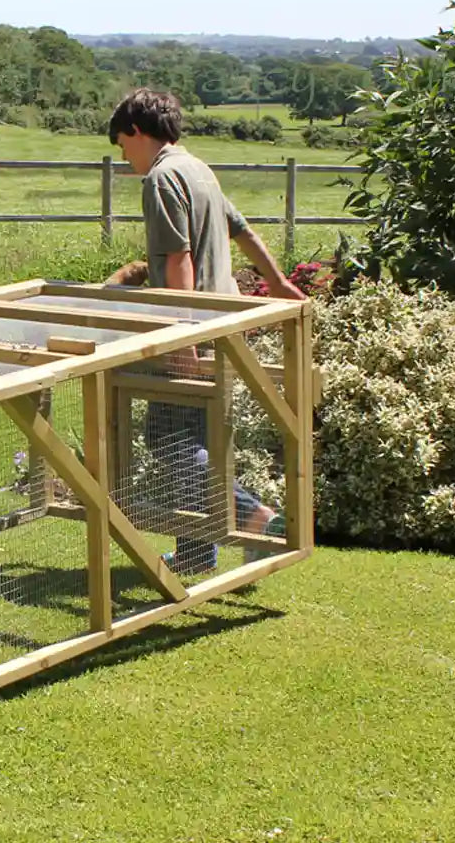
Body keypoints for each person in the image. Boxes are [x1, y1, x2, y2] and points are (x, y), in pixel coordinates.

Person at [105, 88, 306, 573]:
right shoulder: (199, 169)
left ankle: (253, 516)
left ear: (135, 131)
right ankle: (197, 552)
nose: (125, 157)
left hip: (192, 328)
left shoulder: (161, 178)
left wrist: (184, 340)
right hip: (220, 325)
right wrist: (279, 284)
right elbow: (243, 231)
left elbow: (179, 261)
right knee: (194, 436)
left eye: (122, 145)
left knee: (171, 442)